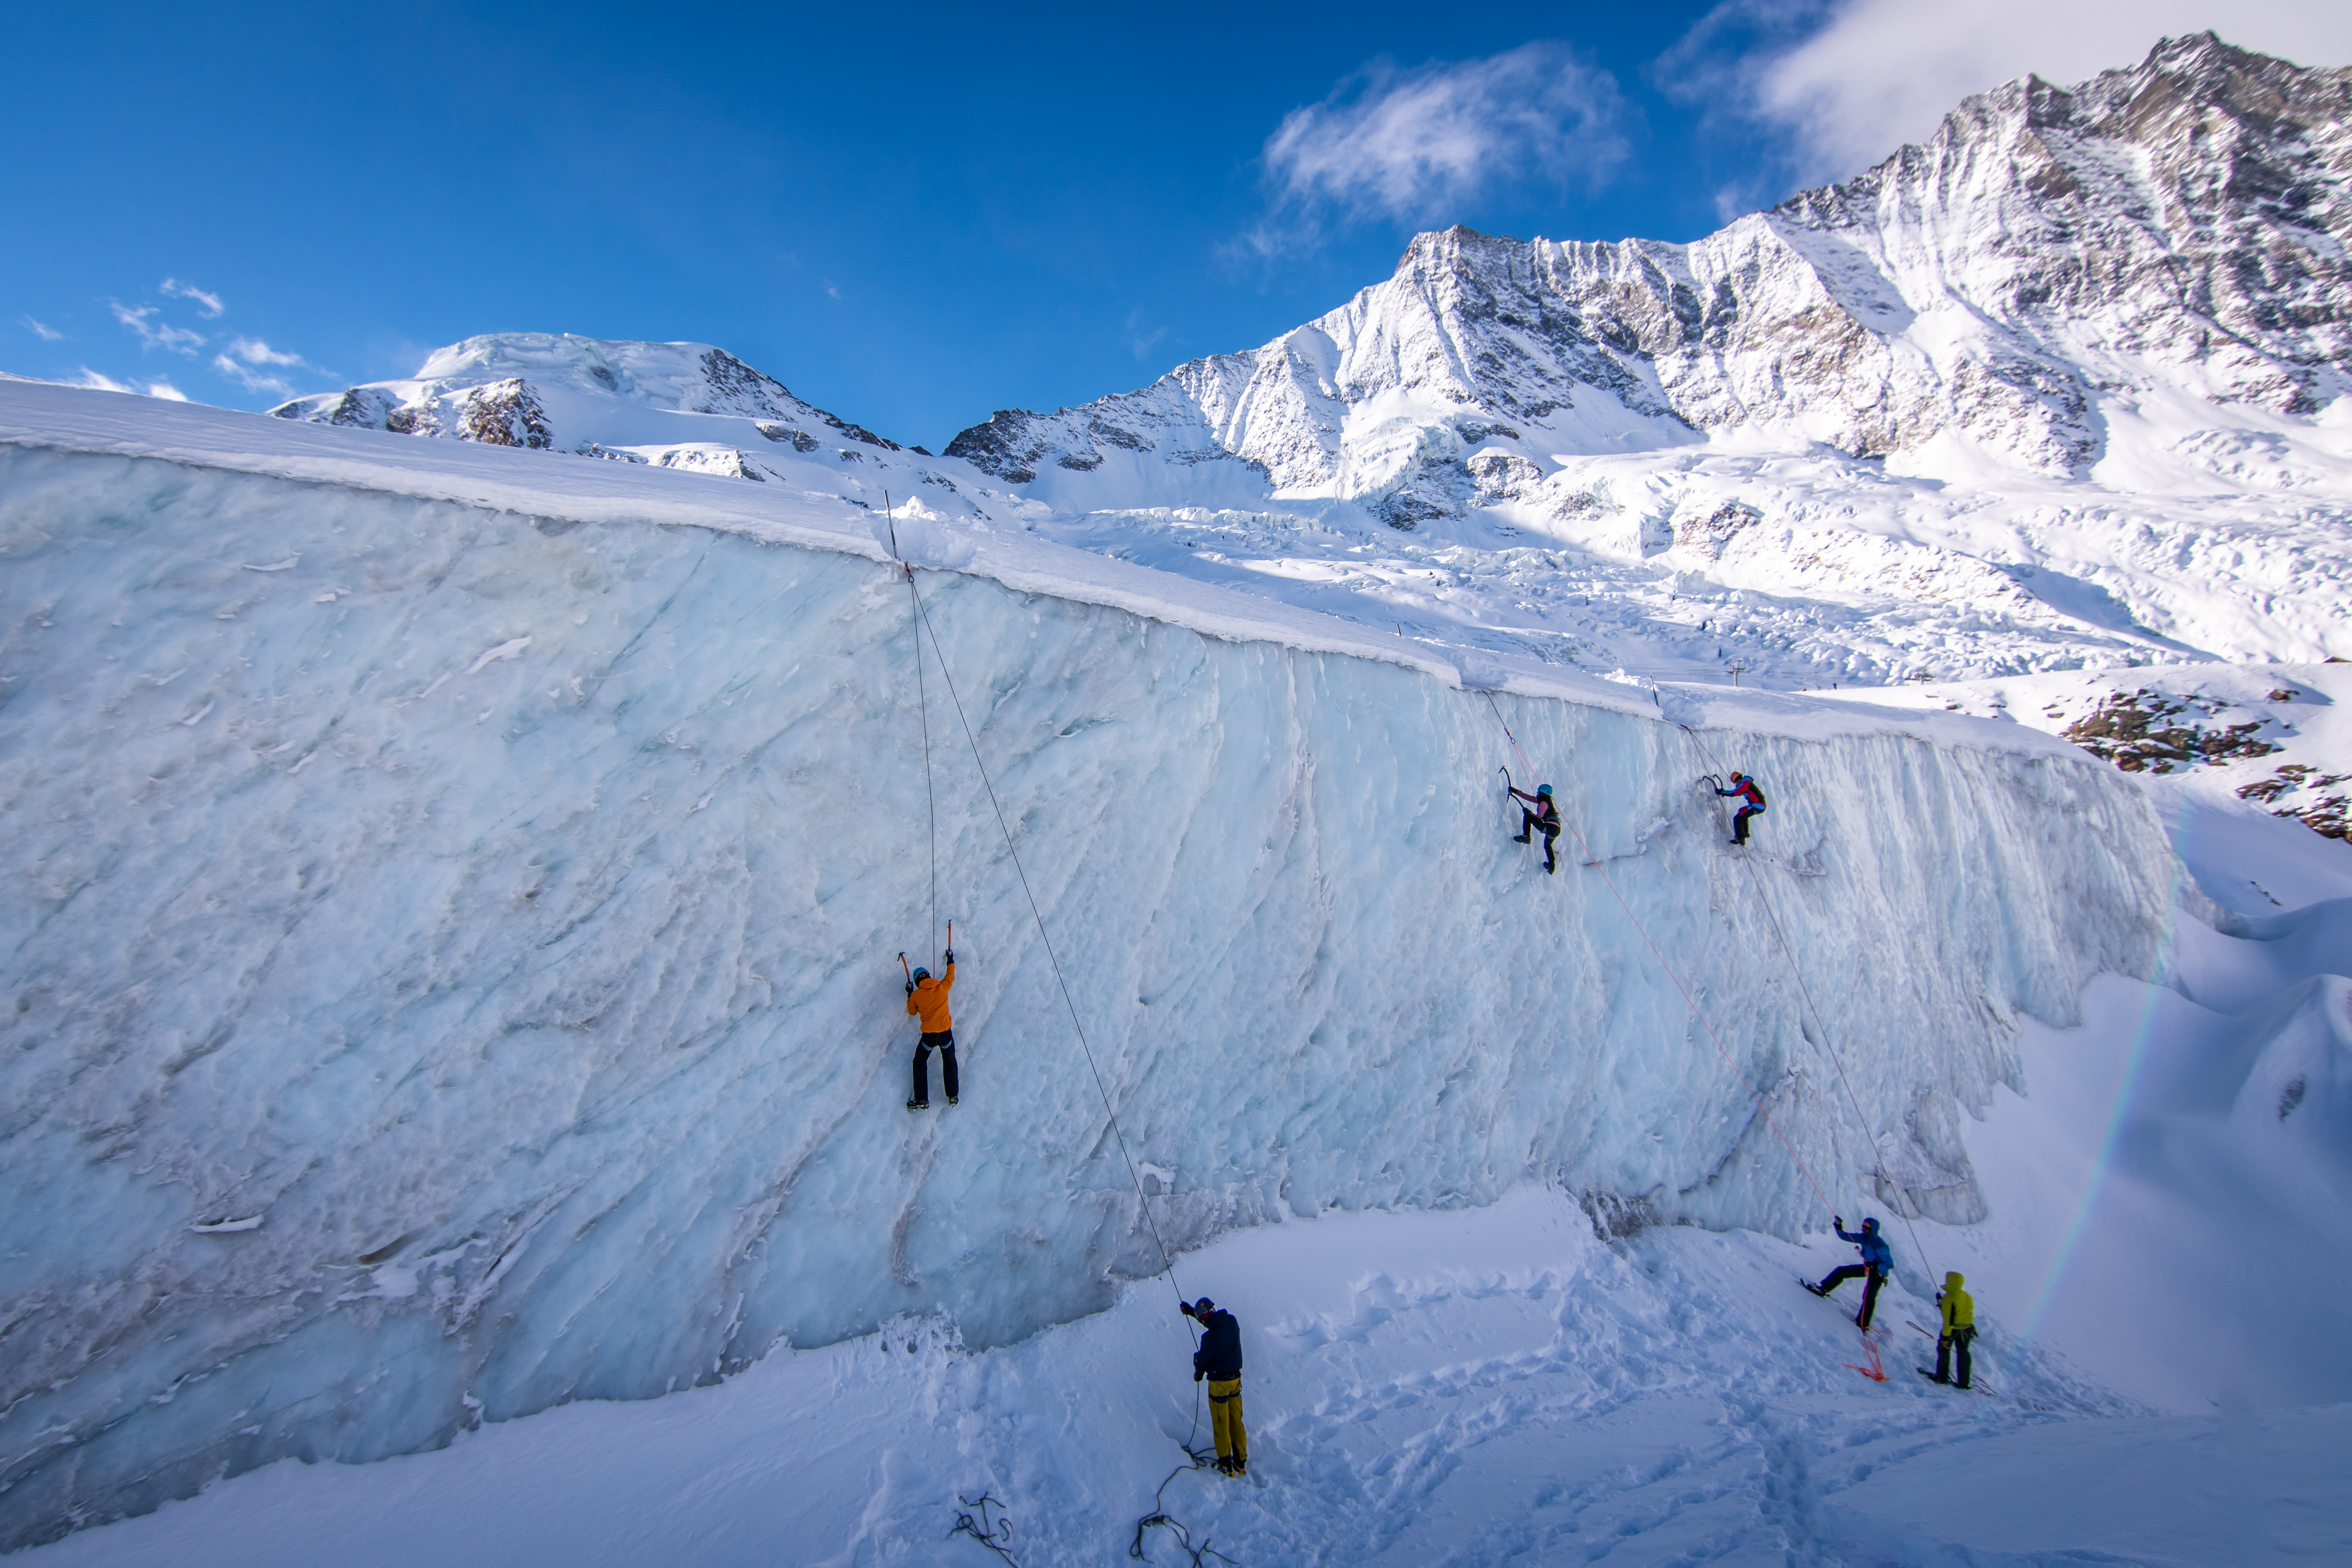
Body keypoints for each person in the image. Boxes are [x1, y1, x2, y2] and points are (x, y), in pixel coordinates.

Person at [1182, 1297, 1247, 1475]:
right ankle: (1240, 1461)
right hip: (1236, 1382)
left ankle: (1226, 1463)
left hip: (1219, 1385)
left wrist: (1199, 1374)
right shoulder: (1232, 1322)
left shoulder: (1208, 1339)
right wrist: (1192, 1313)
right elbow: (1215, 1324)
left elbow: (1202, 1362)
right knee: (1236, 1421)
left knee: (1221, 1424)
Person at [1807, 1214, 1892, 1329]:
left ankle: (1863, 1324)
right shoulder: (1863, 1238)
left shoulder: (1880, 1245)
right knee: (1842, 1271)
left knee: (1869, 1295)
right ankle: (1823, 1289)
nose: (1863, 1229)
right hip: (1869, 1268)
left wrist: (1875, 1265)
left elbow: (1890, 1264)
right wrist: (1838, 1226)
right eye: (1863, 1226)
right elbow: (1845, 1236)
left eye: (1867, 1227)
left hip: (1879, 1273)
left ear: (1873, 1230)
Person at [905, 947, 957, 1111]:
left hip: (929, 1037)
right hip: (946, 1034)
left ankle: (922, 1100)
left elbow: (912, 1012)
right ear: (928, 977)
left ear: (917, 982)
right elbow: (951, 977)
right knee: (949, 1061)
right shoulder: (942, 988)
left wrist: (909, 994)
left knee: (919, 1062)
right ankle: (953, 1096)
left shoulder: (917, 996)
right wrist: (951, 961)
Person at [1930, 1271, 1975, 1389]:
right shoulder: (1967, 1296)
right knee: (1964, 1354)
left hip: (1953, 1331)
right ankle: (1964, 1383)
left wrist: (1946, 1338)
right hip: (1967, 1329)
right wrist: (1944, 1303)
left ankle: (1942, 1377)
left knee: (1944, 1351)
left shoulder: (1950, 1298)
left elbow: (1948, 1321)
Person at [1508, 781, 1563, 874]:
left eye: (1538, 792)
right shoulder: (1546, 800)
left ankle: (1527, 836)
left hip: (1551, 827)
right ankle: (1551, 865)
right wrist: (1516, 791)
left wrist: (1529, 813)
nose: (1537, 793)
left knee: (1528, 817)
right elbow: (1530, 798)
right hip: (1556, 829)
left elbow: (1539, 818)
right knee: (1548, 846)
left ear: (1542, 793)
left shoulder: (1544, 803)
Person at [1716, 772, 1766, 846]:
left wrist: (1722, 792)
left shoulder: (1745, 784)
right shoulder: (1746, 782)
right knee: (1742, 812)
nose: (1736, 785)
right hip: (1758, 806)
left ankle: (1741, 839)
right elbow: (1738, 792)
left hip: (1758, 806)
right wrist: (1724, 793)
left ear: (1738, 781)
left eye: (1736, 783)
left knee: (1738, 819)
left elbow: (1734, 793)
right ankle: (1745, 833)